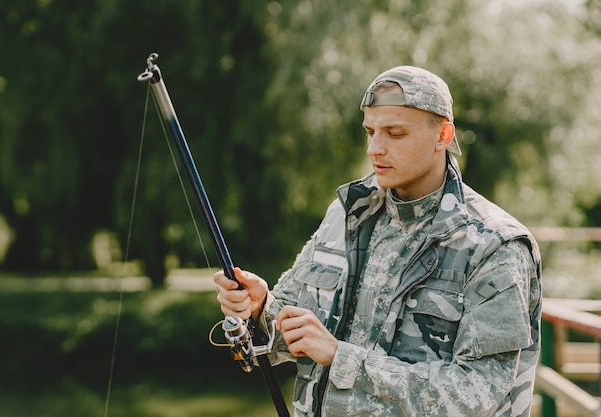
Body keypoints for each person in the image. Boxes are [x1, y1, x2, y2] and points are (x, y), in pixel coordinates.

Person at [213, 66, 542, 417]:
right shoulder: (345, 214)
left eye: (395, 134)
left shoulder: (495, 245)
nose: (374, 148)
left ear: (443, 135)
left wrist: (343, 359)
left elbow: (478, 392)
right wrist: (262, 307)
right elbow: (291, 338)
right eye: (370, 131)